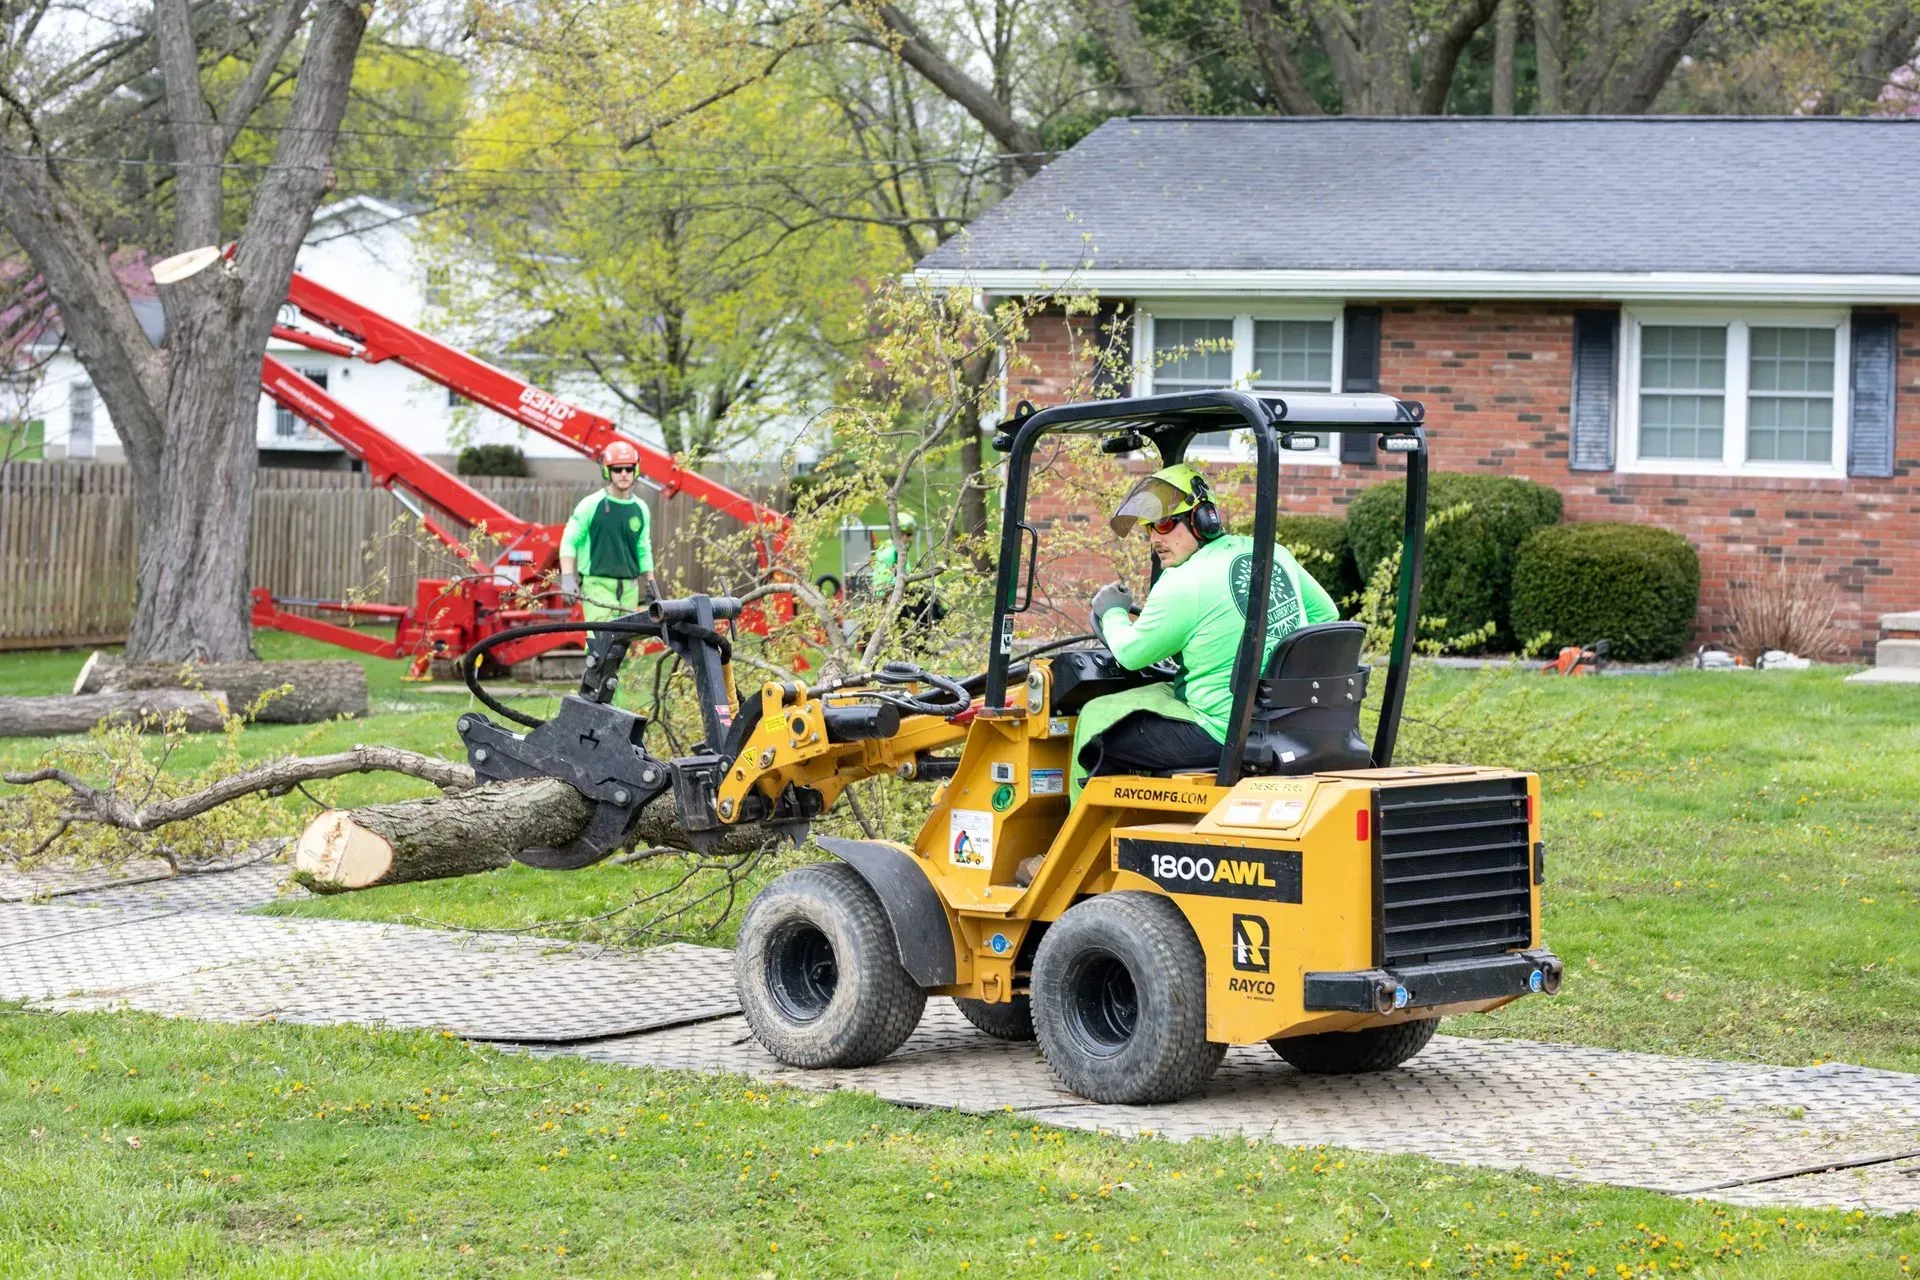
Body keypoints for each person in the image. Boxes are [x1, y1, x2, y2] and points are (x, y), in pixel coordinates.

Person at [1069, 463, 1339, 801]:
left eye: (1165, 524)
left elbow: (1130, 654)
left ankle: (1081, 846)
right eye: (1150, 527)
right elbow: (1325, 615)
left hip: (1221, 733)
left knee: (1096, 721)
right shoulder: (1270, 553)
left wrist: (1112, 613)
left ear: (1202, 520)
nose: (1155, 537)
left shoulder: (1183, 581)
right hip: (1290, 725)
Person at [559, 440, 660, 621]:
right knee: (601, 643)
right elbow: (569, 540)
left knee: (622, 644)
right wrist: (567, 577)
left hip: (630, 588)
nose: (623, 474)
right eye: (617, 469)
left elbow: (643, 547)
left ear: (635, 470)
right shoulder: (590, 505)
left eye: (628, 469)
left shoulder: (640, 508)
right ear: (607, 471)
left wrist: (652, 586)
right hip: (596, 586)